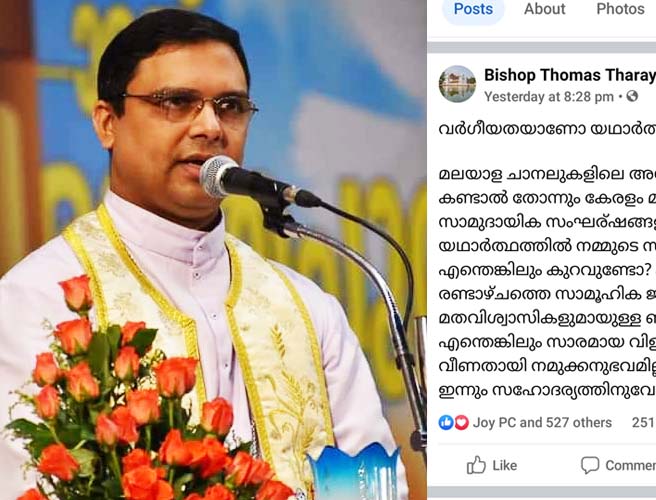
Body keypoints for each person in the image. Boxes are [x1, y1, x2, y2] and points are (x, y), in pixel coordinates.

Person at [0, 8, 406, 499]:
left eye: (231, 106)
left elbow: (373, 488)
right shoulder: (36, 302)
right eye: (177, 102)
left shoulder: (308, 309)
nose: (211, 127)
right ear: (108, 123)